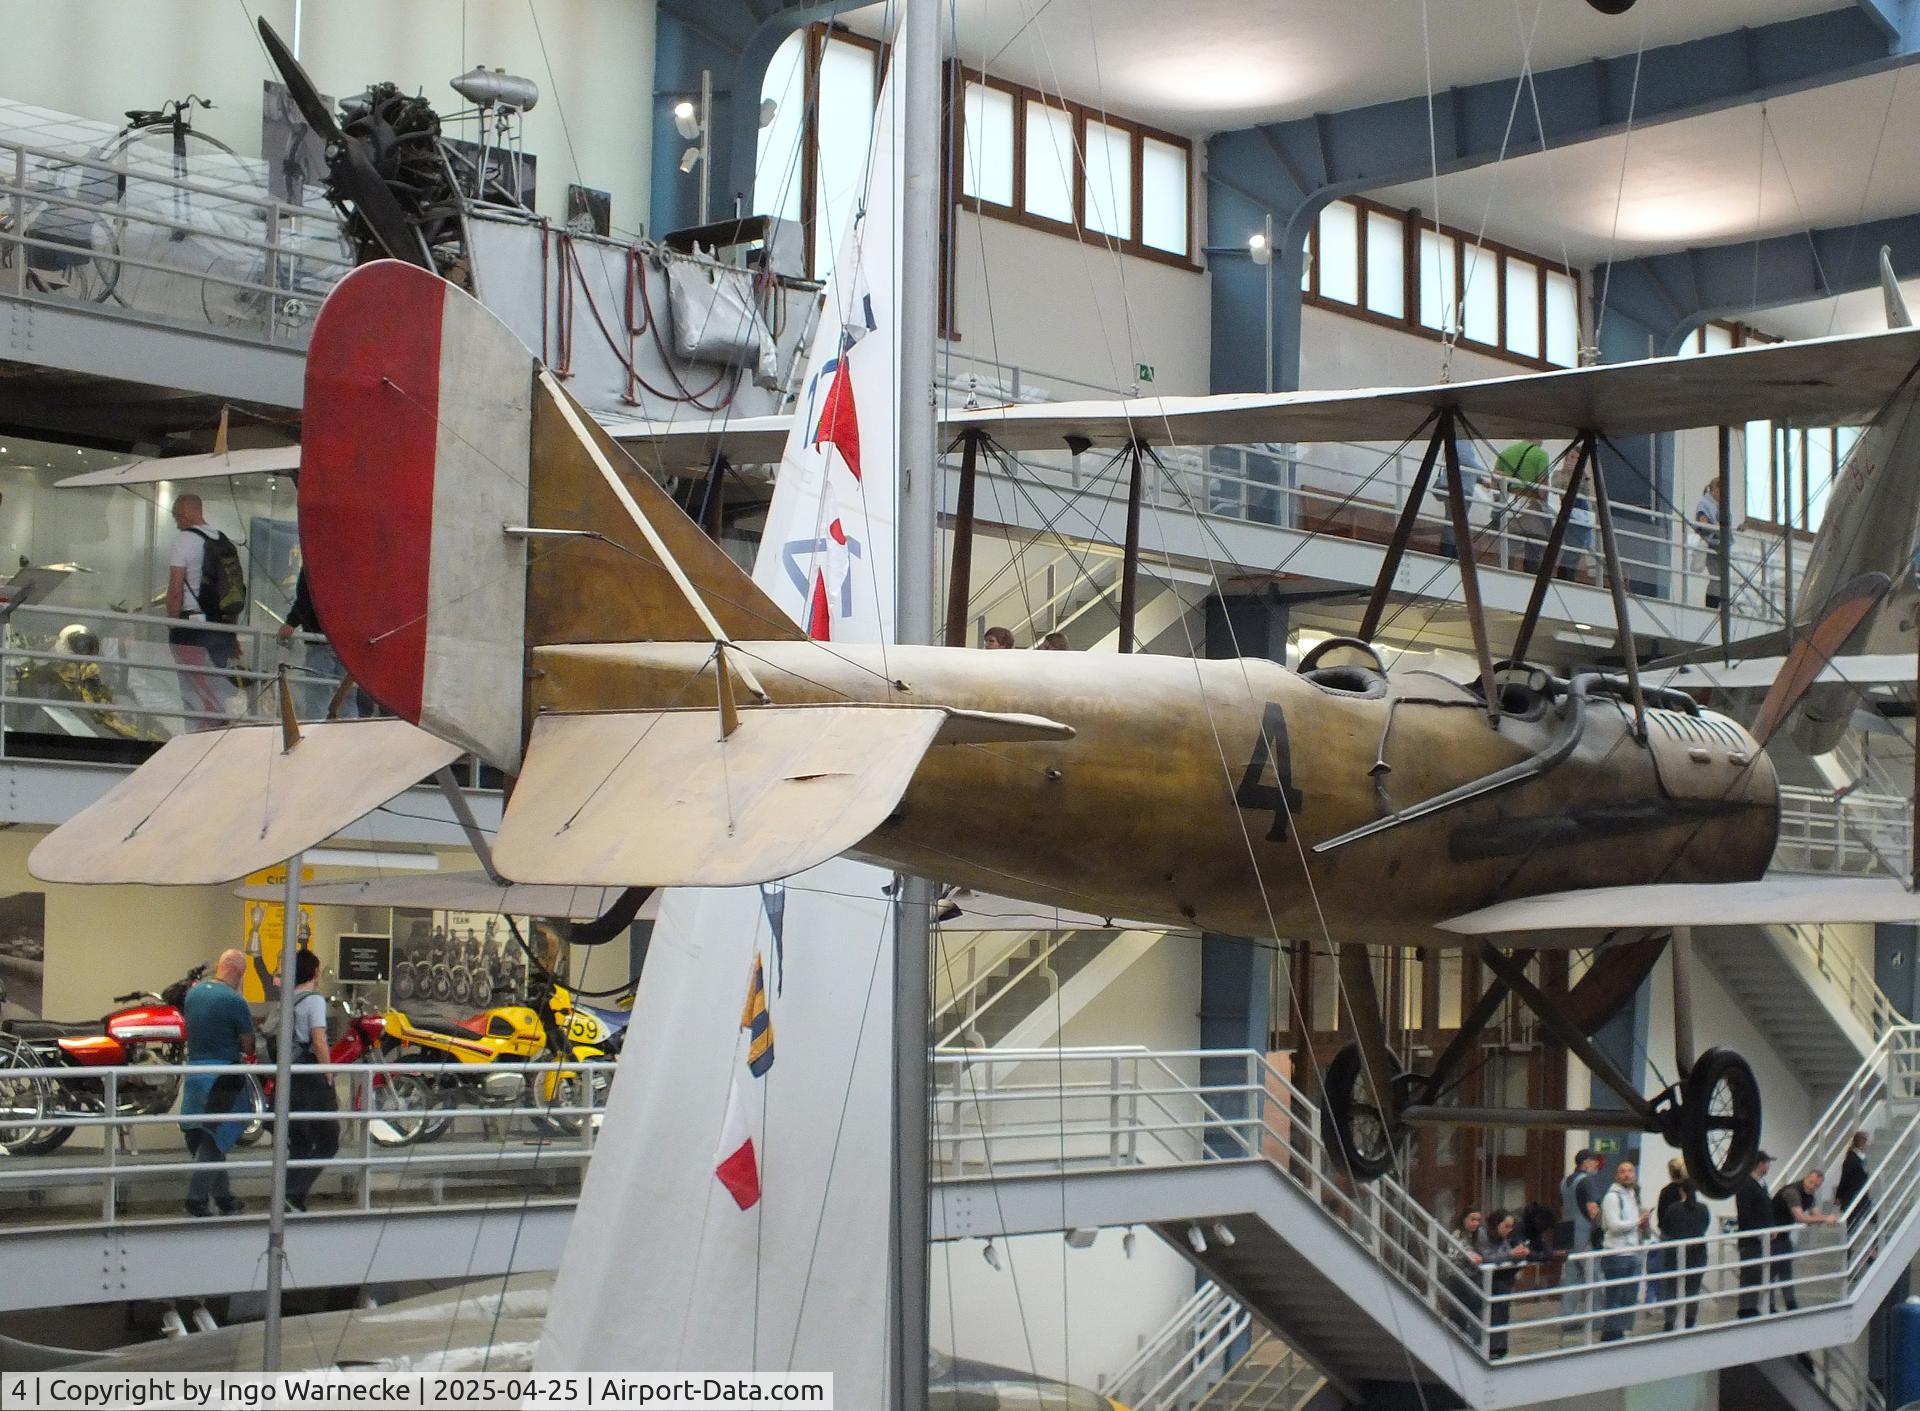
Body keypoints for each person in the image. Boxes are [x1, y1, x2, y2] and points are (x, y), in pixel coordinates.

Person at [180, 949, 256, 1217]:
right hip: (223, 1077)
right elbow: (248, 1044)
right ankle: (196, 1198)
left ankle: (224, 1197)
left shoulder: (194, 994)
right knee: (215, 1139)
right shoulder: (235, 1001)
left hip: (195, 1075)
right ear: (239, 972)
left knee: (205, 1136)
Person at [165, 494, 238, 728]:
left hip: (192, 628)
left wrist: (174, 623)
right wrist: (232, 634)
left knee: (193, 690)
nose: (176, 522)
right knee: (215, 687)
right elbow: (233, 591)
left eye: (176, 516)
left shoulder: (184, 540)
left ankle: (195, 742)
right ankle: (216, 741)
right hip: (221, 628)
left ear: (186, 513)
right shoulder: (223, 540)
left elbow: (175, 589)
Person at [283, 949, 338, 1213]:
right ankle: (294, 1194)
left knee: (300, 1139)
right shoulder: (314, 1001)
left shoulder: (286, 999)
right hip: (310, 1075)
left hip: (290, 1075)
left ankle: (289, 1195)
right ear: (315, 972)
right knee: (329, 1140)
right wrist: (328, 1071)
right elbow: (318, 1039)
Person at [278, 568, 372, 719]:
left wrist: (291, 623)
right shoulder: (353, 564)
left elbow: (306, 599)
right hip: (349, 641)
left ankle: (318, 735)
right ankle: (350, 733)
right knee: (347, 696)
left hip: (320, 641)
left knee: (318, 696)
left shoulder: (314, 564)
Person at [1771, 1168, 1841, 1312]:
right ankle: (1771, 1306)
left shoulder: (1809, 1195)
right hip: (1773, 1235)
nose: (1811, 1187)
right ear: (1805, 1178)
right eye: (1810, 1183)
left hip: (1783, 1235)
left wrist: (1824, 1218)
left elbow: (1815, 1215)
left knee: (1785, 1271)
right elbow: (1801, 1218)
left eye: (1816, 1186)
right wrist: (1824, 1218)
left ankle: (1791, 1305)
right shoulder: (1792, 1192)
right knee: (1772, 1272)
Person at [1598, 1159, 1649, 1341]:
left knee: (1629, 1296)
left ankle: (1623, 1331)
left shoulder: (1632, 1195)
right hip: (1616, 1254)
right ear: (1616, 1175)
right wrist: (1638, 1221)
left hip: (1632, 1252)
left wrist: (1642, 1225)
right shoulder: (1612, 1197)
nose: (1627, 1174)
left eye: (1630, 1171)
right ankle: (1612, 1334)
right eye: (1623, 1171)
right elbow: (1614, 1225)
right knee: (1615, 1296)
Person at [1559, 1148, 1607, 1340]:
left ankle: (1567, 1317)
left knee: (1571, 1278)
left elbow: (1564, 1206)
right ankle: (1597, 1317)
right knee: (1594, 1277)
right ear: (1586, 1163)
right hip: (1585, 1236)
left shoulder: (1565, 1182)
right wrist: (1603, 1227)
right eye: (1594, 1161)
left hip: (1568, 1235)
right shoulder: (1587, 1182)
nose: (1596, 1165)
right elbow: (1592, 1209)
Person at [1477, 1209, 1532, 1358]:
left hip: (1502, 1280)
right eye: (1506, 1226)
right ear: (1496, 1224)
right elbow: (1486, 1257)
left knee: (1502, 1312)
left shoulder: (1505, 1238)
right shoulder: (1483, 1234)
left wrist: (1520, 1253)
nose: (1509, 1230)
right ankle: (1491, 1346)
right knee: (1492, 1313)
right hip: (1486, 1281)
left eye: (1511, 1227)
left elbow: (1507, 1255)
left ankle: (1499, 1346)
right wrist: (1510, 1255)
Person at [1659, 1181, 1713, 1331]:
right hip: (1698, 1255)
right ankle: (1689, 1321)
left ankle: (1669, 1322)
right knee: (1693, 1289)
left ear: (1681, 1191)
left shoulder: (1673, 1208)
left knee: (1671, 1289)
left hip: (1674, 1255)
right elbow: (1704, 1226)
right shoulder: (1703, 1209)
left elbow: (1666, 1228)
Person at [1734, 1151, 1775, 1317]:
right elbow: (1745, 1213)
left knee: (1760, 1273)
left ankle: (1757, 1305)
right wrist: (1756, 1232)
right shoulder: (1745, 1184)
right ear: (1760, 1164)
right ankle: (1746, 1308)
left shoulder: (1761, 1184)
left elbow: (1766, 1209)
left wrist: (1771, 1229)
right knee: (1750, 1273)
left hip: (1763, 1239)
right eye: (1767, 1163)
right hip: (1751, 1241)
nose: (1769, 1166)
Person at [1647, 1157, 1688, 1317]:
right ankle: (1679, 1310)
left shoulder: (1666, 1191)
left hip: (1669, 1237)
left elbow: (1661, 1219)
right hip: (1685, 1238)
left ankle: (1668, 1311)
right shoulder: (1687, 1192)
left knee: (1667, 1276)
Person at [1693, 477, 1724, 608]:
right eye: (1719, 489)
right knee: (1717, 577)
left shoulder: (1718, 505)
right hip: (1710, 543)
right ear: (1714, 489)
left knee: (1720, 578)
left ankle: (1717, 605)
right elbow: (1702, 520)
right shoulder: (1705, 503)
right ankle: (1712, 606)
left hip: (1719, 544)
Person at [1836, 1130, 1871, 1234]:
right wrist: (1839, 1196)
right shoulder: (1851, 1159)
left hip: (1861, 1195)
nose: (1869, 1144)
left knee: (1872, 1219)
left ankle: (1875, 1245)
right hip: (1853, 1196)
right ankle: (1849, 1249)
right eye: (1867, 1142)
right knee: (1852, 1224)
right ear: (1862, 1143)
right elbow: (1844, 1179)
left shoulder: (1860, 1158)